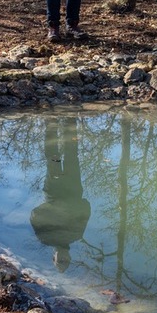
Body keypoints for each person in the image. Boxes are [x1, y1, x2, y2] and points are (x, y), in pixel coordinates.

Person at [30, 116, 91, 272]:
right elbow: (86, 207)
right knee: (71, 155)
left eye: (60, 260)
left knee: (53, 158)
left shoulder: (45, 238)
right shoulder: (77, 235)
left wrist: (53, 207)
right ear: (70, 258)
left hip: (54, 192)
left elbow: (35, 214)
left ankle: (51, 125)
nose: (64, 258)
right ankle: (70, 122)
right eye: (66, 261)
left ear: (54, 257)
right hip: (73, 189)